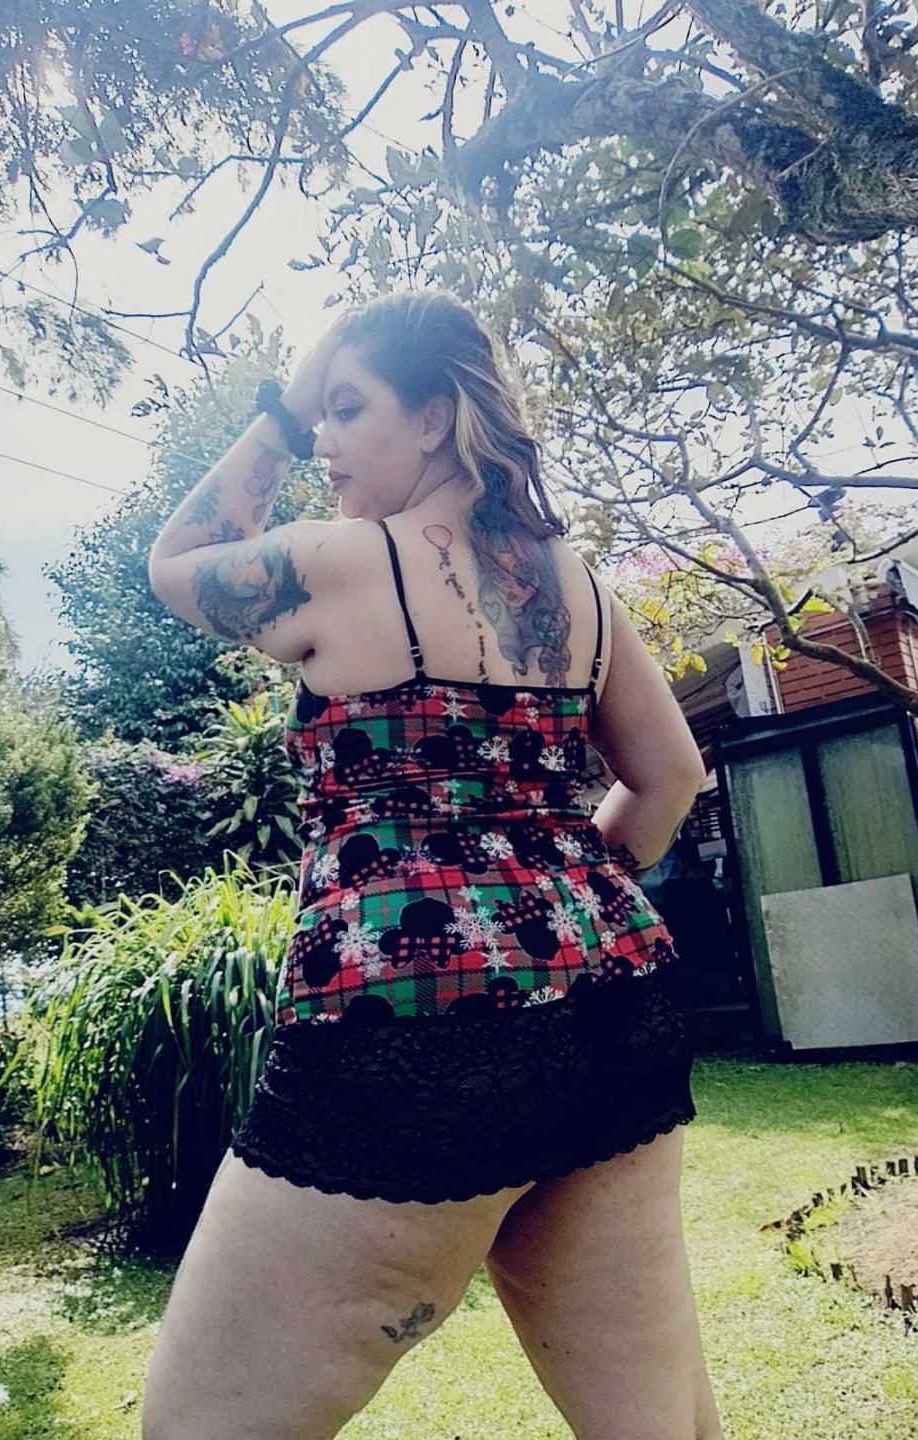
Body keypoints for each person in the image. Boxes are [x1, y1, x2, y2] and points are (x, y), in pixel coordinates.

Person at [142, 291, 725, 1440]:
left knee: (195, 1427)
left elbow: (177, 560)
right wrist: (548, 920)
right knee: (659, 1427)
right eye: (318, 416)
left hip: (412, 1031)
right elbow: (670, 780)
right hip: (614, 1010)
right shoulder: (579, 588)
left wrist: (277, 410)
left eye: (346, 409)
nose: (322, 439)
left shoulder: (344, 562)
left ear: (434, 418)